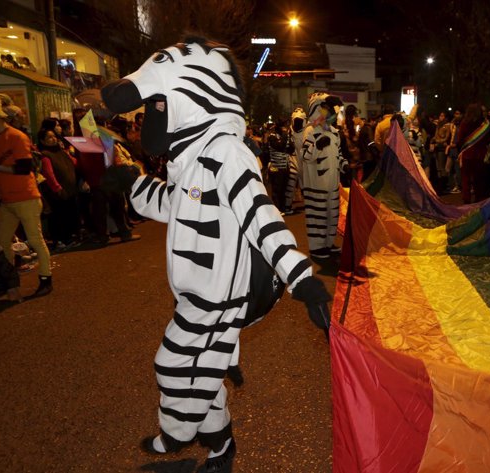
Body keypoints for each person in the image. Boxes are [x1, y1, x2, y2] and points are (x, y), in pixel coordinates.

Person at [100, 35, 331, 473]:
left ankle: (179, 441)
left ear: (189, 102)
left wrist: (301, 278)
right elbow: (173, 204)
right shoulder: (191, 158)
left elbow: (261, 215)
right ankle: (220, 448)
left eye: (161, 106)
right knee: (197, 374)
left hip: (217, 295)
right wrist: (132, 184)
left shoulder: (226, 151)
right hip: (195, 291)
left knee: (173, 367)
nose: (155, 118)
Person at [0, 93, 53, 296]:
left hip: (26, 197)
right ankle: (9, 280)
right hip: (7, 199)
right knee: (2, 241)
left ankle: (45, 279)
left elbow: (25, 168)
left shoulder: (17, 136)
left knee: (35, 239)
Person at [300, 92, 347, 259]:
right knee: (317, 216)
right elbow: (305, 156)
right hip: (316, 184)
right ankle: (316, 247)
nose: (331, 113)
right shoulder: (310, 131)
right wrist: (317, 146)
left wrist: (344, 166)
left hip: (333, 184)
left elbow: (338, 155)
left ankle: (328, 243)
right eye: (326, 109)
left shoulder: (334, 133)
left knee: (332, 215)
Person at [37, 128, 80, 249]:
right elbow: (49, 174)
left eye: (54, 136)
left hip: (70, 190)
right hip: (58, 192)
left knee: (69, 214)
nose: (53, 139)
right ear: (42, 141)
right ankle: (61, 240)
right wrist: (58, 189)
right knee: (59, 216)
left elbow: (74, 163)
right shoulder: (45, 155)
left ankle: (70, 237)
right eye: (49, 137)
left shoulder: (61, 152)